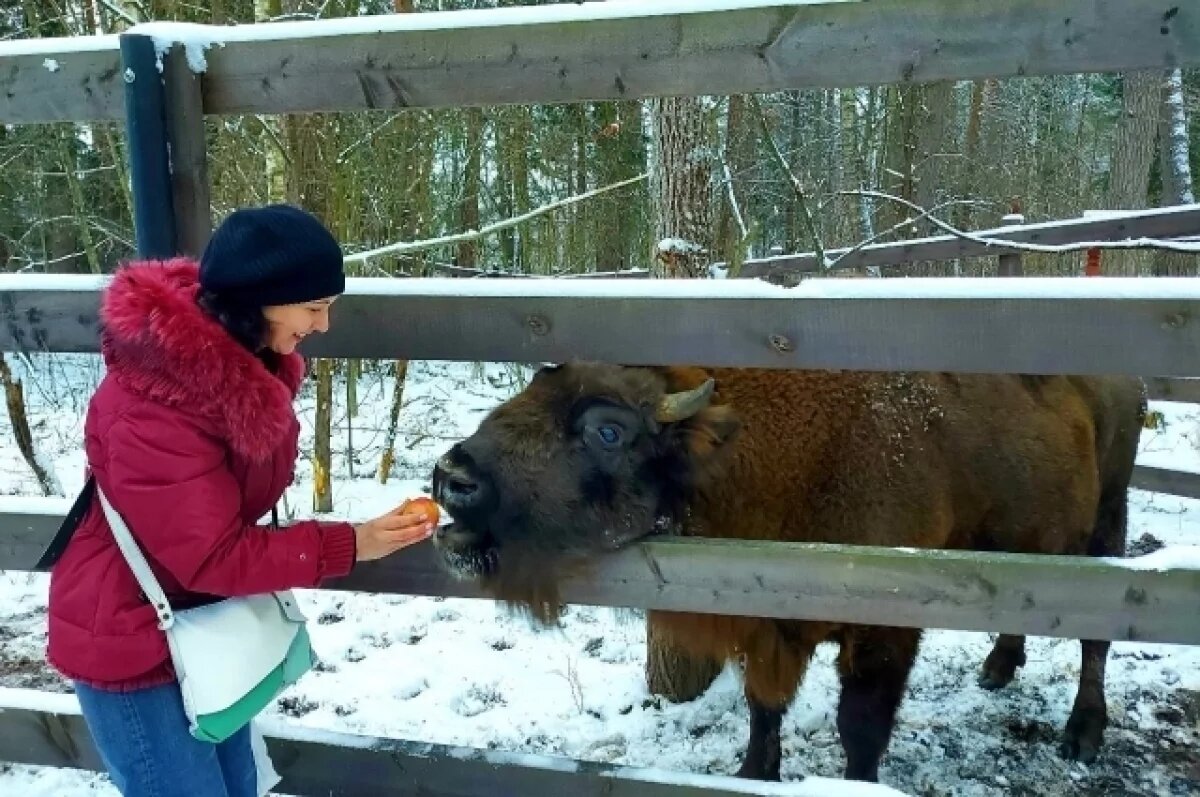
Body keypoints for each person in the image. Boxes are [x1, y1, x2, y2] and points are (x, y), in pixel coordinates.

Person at [45, 204, 433, 797]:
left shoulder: (239, 367)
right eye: (314, 308)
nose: (323, 326)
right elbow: (212, 555)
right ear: (260, 301)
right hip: (131, 640)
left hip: (194, 623)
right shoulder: (159, 407)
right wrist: (350, 543)